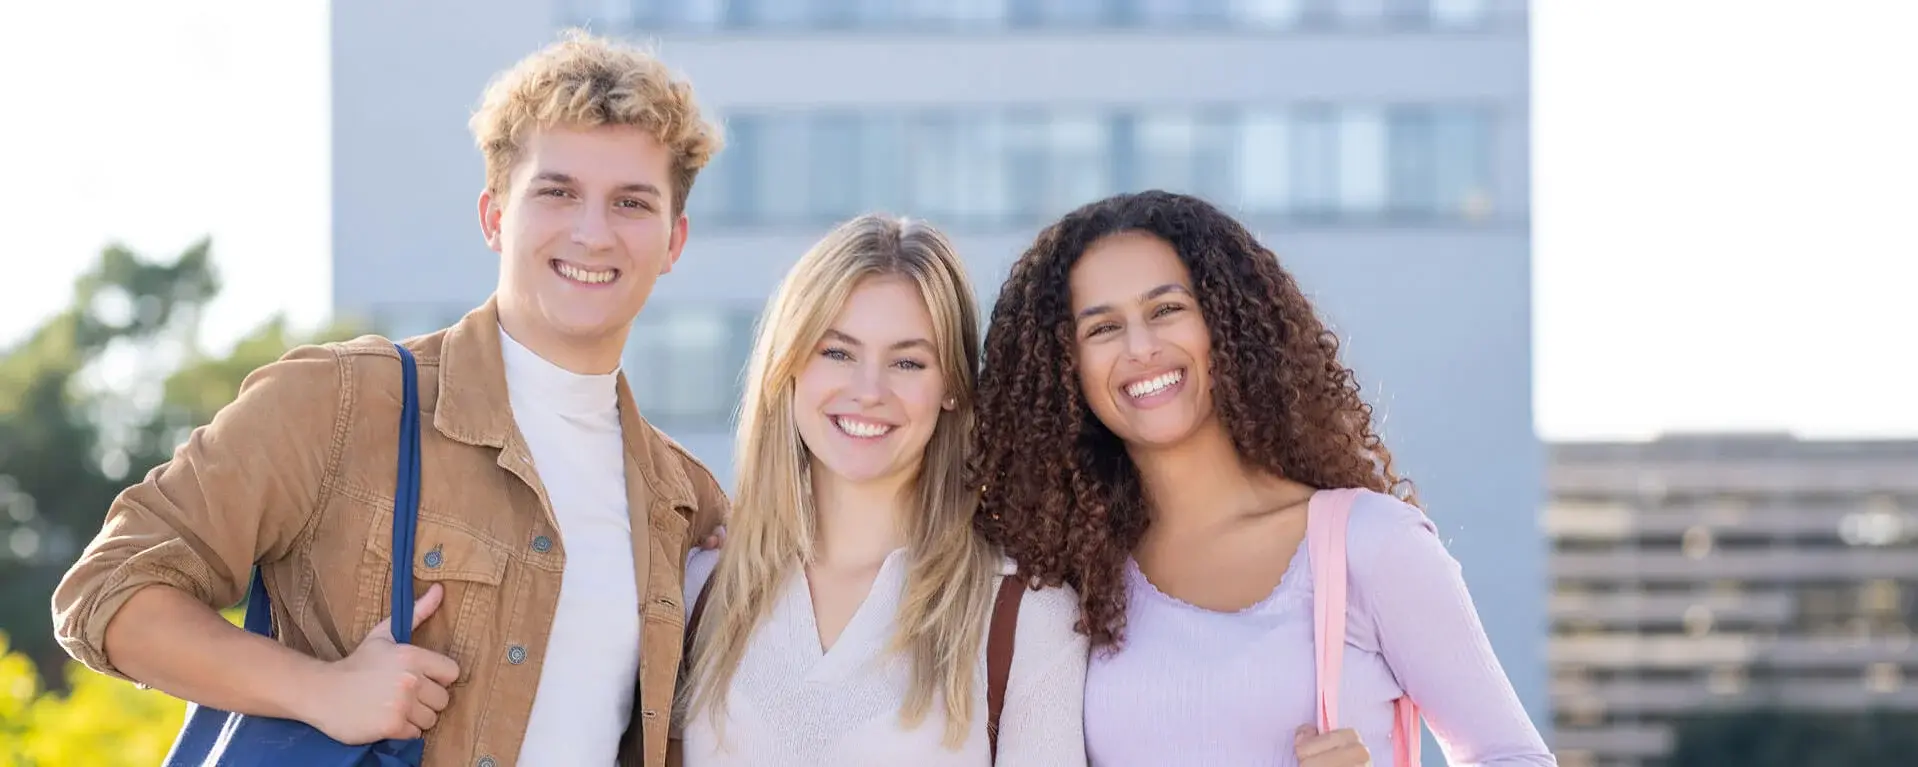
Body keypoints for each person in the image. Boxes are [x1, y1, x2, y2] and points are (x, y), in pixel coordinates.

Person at [50, 30, 728, 767]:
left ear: (674, 240)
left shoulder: (684, 501)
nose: (593, 233)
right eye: (556, 192)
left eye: (631, 202)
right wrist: (321, 689)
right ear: (495, 216)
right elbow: (107, 592)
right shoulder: (342, 403)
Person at [970, 190, 1557, 767]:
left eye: (1166, 310)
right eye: (1102, 328)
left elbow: (1516, 756)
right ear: (1064, 367)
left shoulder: (1369, 545)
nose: (1141, 347)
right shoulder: (1074, 577)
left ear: (1225, 323)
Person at [670, 215, 1088, 766]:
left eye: (907, 362)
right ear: (788, 366)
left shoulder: (1023, 613)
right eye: (837, 352)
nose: (869, 391)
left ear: (952, 389)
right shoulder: (700, 590)